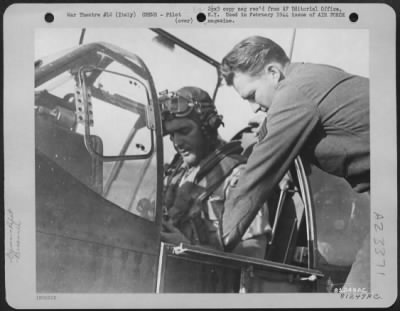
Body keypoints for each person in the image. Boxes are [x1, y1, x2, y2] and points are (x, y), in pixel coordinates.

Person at [220, 36, 370, 290]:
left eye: (253, 95)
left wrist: (216, 244)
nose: (255, 108)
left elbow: (254, 180)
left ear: (273, 72)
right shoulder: (311, 79)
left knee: (359, 294)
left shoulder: (294, 93)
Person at [160, 86, 270, 258]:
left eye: (184, 131)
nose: (177, 142)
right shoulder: (177, 173)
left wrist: (187, 249)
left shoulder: (239, 178)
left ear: (208, 128)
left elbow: (254, 254)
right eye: (172, 135)